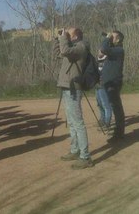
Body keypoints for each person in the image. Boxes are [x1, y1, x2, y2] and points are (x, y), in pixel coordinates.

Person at [53, 27, 94, 170]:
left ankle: (85, 156)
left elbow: (65, 51)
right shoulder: (72, 47)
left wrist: (63, 38)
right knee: (71, 122)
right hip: (66, 86)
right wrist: (58, 40)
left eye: (68, 33)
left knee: (78, 122)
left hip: (73, 88)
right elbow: (59, 53)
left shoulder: (81, 47)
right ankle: (75, 150)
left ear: (75, 36)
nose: (66, 35)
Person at [100, 31, 125, 142]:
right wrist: (109, 39)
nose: (110, 38)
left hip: (114, 83)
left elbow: (104, 49)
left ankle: (119, 133)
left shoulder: (119, 50)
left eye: (113, 37)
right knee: (113, 106)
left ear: (118, 39)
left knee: (116, 107)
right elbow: (103, 51)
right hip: (108, 82)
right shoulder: (114, 51)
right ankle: (118, 131)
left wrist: (107, 38)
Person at [95, 50, 112, 130]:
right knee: (99, 103)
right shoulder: (97, 60)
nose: (99, 52)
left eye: (101, 50)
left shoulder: (107, 59)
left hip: (104, 84)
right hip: (97, 84)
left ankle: (107, 122)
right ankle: (102, 119)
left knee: (106, 104)